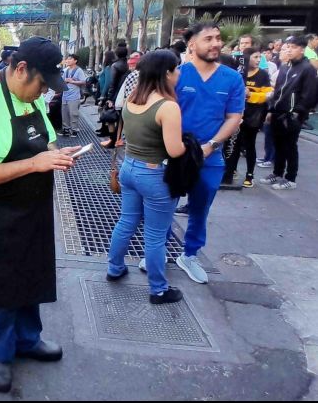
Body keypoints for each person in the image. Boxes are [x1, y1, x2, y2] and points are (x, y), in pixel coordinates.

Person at [0, 37, 79, 394]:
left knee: (31, 272)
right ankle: (1, 354)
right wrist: (35, 163)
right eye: (41, 84)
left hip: (33, 208)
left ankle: (28, 338)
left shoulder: (31, 97)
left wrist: (57, 153)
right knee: (4, 284)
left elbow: (46, 140)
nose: (43, 93)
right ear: (21, 69)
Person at [106, 51, 186, 305]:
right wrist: (201, 147)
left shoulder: (133, 98)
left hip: (128, 168)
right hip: (154, 175)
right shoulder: (167, 107)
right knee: (155, 235)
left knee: (126, 221)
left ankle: (114, 268)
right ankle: (158, 290)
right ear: (166, 73)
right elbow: (174, 150)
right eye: (176, 68)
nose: (179, 73)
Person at [171, 22, 245, 284]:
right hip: (175, 154)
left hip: (210, 156)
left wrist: (211, 144)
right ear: (192, 44)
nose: (216, 43)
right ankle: (158, 252)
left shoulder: (232, 78)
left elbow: (234, 117)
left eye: (218, 38)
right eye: (208, 39)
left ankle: (189, 255)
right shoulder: (177, 75)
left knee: (200, 208)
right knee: (165, 205)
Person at [260, 36, 318, 191]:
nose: (289, 50)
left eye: (293, 47)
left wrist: (297, 113)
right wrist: (271, 110)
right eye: (288, 47)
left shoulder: (308, 69)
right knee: (278, 145)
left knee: (290, 147)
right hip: (277, 113)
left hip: (292, 116)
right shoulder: (285, 67)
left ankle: (291, 178)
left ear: (302, 49)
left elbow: (310, 95)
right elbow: (278, 91)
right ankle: (277, 173)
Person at [223, 48, 273, 188]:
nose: (258, 60)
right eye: (255, 57)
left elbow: (268, 95)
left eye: (259, 57)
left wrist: (251, 95)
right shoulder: (238, 72)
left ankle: (249, 175)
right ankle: (231, 170)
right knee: (234, 144)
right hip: (237, 114)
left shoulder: (262, 74)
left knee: (249, 145)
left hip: (254, 116)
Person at [61, 54, 86, 138]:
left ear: (75, 61)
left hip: (74, 96)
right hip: (65, 95)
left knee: (73, 114)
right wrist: (65, 80)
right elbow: (61, 80)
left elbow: (83, 81)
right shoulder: (65, 70)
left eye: (70, 59)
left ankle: (74, 130)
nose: (68, 60)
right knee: (64, 114)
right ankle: (66, 129)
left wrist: (72, 81)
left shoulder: (79, 70)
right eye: (67, 59)